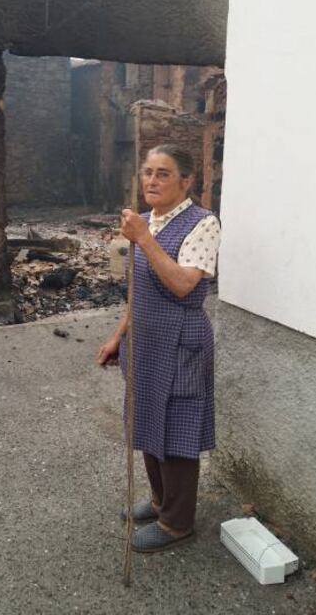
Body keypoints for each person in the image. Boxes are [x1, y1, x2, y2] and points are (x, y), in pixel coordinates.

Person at [97, 144, 221, 554]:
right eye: (148, 172)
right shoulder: (146, 221)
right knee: (149, 419)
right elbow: (139, 290)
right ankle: (159, 501)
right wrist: (119, 335)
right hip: (144, 341)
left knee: (178, 432)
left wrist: (145, 239)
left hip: (180, 343)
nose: (151, 180)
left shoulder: (203, 224)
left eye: (163, 173)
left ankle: (177, 523)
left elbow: (184, 284)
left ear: (186, 181)